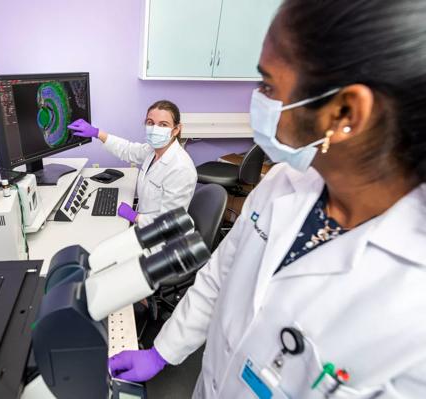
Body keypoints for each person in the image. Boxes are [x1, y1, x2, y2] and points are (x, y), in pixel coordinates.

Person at [108, 0, 426, 397]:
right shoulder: (284, 184)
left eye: (268, 85)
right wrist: (162, 351)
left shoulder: (415, 304)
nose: (256, 98)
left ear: (345, 112)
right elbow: (218, 277)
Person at [68, 100, 197, 226]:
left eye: (163, 125)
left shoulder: (181, 169)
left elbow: (172, 221)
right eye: (150, 123)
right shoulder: (153, 151)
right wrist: (97, 133)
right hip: (146, 221)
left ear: (176, 130)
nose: (155, 129)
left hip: (162, 237)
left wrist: (135, 217)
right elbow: (128, 149)